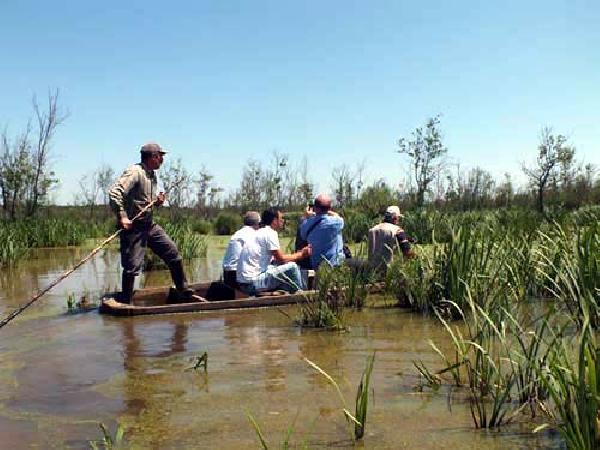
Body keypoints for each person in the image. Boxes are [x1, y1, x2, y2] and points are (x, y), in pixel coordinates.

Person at [109, 142, 195, 304]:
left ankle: (182, 289)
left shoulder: (151, 175)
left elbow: (142, 201)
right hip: (134, 227)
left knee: (173, 254)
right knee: (132, 267)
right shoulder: (135, 172)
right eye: (160, 156)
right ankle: (126, 301)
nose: (162, 160)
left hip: (149, 225)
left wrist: (156, 202)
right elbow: (115, 193)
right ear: (153, 157)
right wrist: (122, 216)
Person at [236, 207, 311, 294]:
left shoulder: (260, 232)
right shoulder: (270, 233)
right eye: (281, 218)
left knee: (279, 267)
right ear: (275, 220)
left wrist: (297, 254)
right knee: (293, 267)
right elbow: (281, 258)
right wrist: (301, 254)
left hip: (244, 283)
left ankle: (282, 293)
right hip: (252, 284)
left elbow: (277, 259)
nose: (283, 221)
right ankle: (299, 297)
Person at [299, 193, 344, 269]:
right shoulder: (336, 222)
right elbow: (337, 215)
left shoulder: (306, 224)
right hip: (336, 264)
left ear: (315, 207)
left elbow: (303, 237)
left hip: (317, 265)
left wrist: (307, 217)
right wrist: (327, 211)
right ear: (329, 208)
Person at [368, 205, 414, 272]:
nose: (398, 220)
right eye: (398, 218)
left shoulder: (373, 229)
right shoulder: (397, 230)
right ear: (395, 217)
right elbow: (407, 253)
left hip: (371, 269)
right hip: (388, 271)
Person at [222, 211, 261, 286]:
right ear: (257, 224)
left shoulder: (238, 233)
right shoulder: (254, 235)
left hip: (227, 275)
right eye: (260, 224)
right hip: (237, 275)